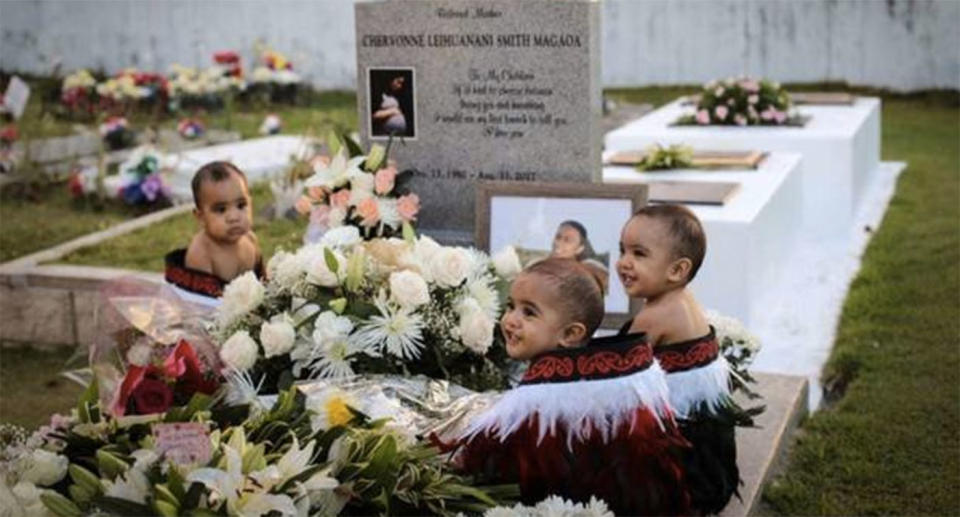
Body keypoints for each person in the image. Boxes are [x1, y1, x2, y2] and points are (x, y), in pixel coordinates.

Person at [452, 258, 692, 515]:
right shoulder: (612, 392)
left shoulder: (537, 415)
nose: (511, 320)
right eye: (511, 306)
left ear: (570, 334)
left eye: (529, 312)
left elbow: (488, 476)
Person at [616, 204, 749, 514]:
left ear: (677, 270)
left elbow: (615, 371)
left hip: (683, 473)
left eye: (639, 254)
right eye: (622, 250)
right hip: (708, 461)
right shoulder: (683, 300)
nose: (624, 263)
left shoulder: (656, 315)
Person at [164, 161, 264, 305]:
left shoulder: (250, 240)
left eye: (241, 205)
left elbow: (263, 282)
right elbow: (199, 306)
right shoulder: (202, 252)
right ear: (201, 217)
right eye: (221, 209)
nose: (234, 217)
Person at [550, 220, 610, 293]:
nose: (558, 243)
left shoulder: (589, 266)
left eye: (567, 240)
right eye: (558, 237)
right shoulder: (542, 266)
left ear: (579, 249)